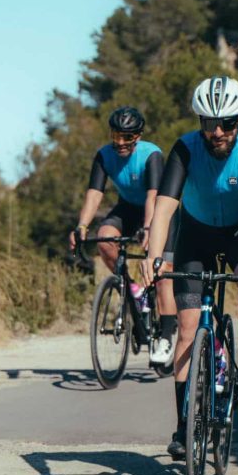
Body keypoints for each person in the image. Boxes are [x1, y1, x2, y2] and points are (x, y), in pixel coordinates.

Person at [143, 76, 238, 459]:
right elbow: (165, 206)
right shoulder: (185, 149)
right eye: (208, 123)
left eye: (227, 123)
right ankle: (184, 427)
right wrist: (154, 257)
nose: (217, 131)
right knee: (187, 329)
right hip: (197, 234)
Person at [69, 106, 178, 365]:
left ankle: (166, 334)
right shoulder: (104, 155)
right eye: (116, 135)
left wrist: (151, 229)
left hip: (160, 211)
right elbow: (95, 193)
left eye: (126, 137)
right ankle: (134, 290)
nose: (119, 142)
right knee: (105, 238)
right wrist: (82, 225)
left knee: (161, 271)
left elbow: (154, 195)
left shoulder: (151, 155)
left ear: (137, 137)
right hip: (127, 208)